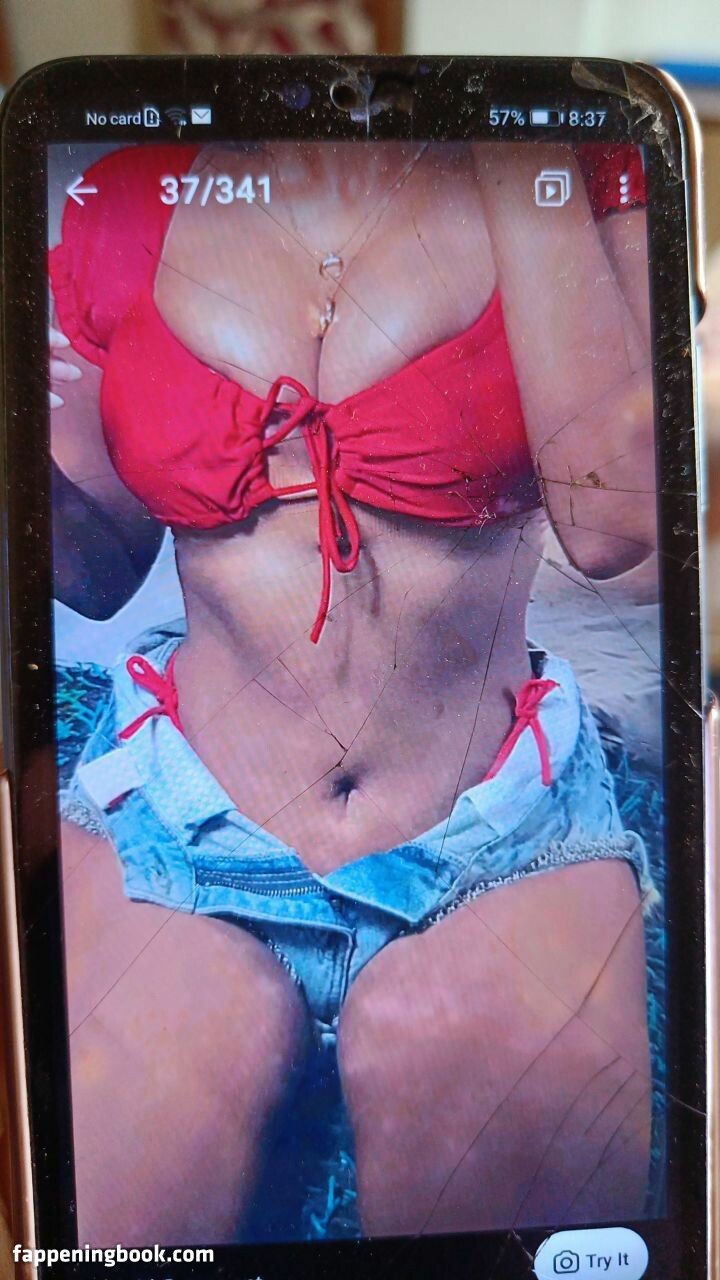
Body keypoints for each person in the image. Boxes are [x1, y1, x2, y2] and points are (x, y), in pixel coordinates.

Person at [50, 140, 657, 1243]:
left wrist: (518, 148)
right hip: (170, 818)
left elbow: (620, 524)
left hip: (496, 836)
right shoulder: (132, 192)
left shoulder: (572, 171)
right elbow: (94, 566)